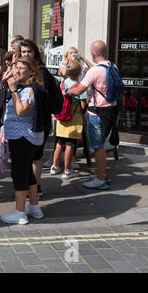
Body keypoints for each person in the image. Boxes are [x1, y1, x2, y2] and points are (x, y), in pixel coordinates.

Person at [0, 56, 45, 225]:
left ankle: (19, 213)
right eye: (16, 67)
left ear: (31, 71)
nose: (17, 71)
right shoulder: (26, 88)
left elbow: (21, 111)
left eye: (21, 68)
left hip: (23, 138)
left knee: (19, 173)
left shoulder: (30, 90)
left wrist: (12, 90)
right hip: (24, 137)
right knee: (27, 172)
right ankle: (34, 207)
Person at [66, 40, 117, 190]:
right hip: (110, 111)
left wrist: (66, 91)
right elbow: (95, 70)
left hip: (97, 112)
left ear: (93, 54)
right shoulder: (112, 67)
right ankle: (101, 173)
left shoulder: (95, 71)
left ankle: (100, 179)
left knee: (98, 147)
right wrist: (83, 59)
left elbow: (78, 90)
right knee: (100, 145)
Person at [18, 39, 63, 198]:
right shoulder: (25, 69)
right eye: (23, 52)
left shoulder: (40, 71)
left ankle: (35, 190)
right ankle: (33, 189)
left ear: (35, 52)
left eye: (29, 51)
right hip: (28, 121)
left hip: (38, 122)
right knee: (30, 157)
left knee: (35, 157)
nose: (26, 54)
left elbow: (39, 98)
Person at [51, 60, 88, 179]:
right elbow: (83, 105)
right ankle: (67, 170)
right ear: (80, 72)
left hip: (62, 117)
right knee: (70, 144)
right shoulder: (79, 86)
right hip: (74, 117)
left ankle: (54, 166)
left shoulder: (64, 83)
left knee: (59, 142)